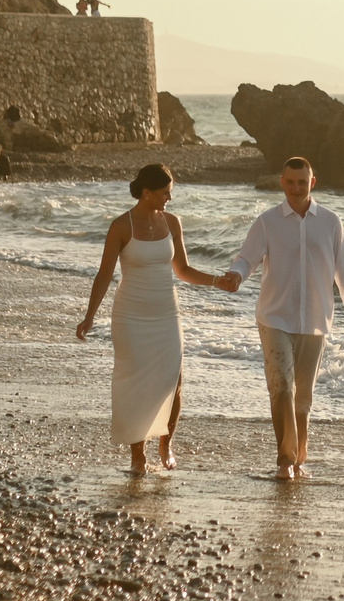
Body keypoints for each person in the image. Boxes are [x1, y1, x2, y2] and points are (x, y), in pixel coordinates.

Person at [76, 163, 231, 473]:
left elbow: (183, 270)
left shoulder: (172, 222)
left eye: (170, 193)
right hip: (130, 315)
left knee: (174, 380)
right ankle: (138, 455)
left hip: (166, 313)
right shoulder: (121, 226)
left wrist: (217, 281)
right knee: (137, 383)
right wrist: (89, 316)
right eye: (164, 193)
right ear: (146, 193)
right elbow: (105, 274)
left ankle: (166, 442)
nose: (169, 199)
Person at [221, 156, 344, 477]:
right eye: (291, 182)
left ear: (313, 183)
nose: (296, 188)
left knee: (303, 399)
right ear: (282, 182)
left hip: (316, 320)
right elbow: (247, 258)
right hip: (275, 318)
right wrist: (236, 275)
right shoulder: (267, 221)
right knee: (282, 388)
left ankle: (299, 459)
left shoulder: (331, 222)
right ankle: (285, 461)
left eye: (302, 182)